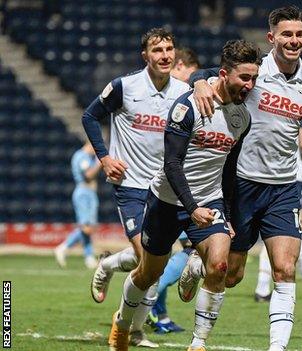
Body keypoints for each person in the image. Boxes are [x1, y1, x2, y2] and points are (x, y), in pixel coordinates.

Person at [180, 6, 302, 351]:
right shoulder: (255, 71)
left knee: (284, 269)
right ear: (271, 38)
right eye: (287, 35)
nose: (294, 41)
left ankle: (277, 348)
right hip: (242, 184)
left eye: (299, 35)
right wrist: (200, 83)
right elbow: (202, 74)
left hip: (284, 187)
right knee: (231, 275)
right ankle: (197, 265)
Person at [106, 39, 261, 351]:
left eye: (254, 78)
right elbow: (171, 164)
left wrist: (226, 215)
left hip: (210, 200)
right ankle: (122, 324)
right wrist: (190, 208)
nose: (250, 84)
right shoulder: (187, 107)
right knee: (148, 274)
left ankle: (198, 343)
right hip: (167, 200)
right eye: (245, 77)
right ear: (224, 74)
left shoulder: (241, 119)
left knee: (219, 266)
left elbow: (228, 172)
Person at [82, 27, 189, 348]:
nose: (165, 55)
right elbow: (90, 116)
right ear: (145, 55)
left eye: (169, 49)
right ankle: (134, 330)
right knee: (150, 262)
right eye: (157, 50)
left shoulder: (184, 92)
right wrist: (104, 158)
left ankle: (110, 264)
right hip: (129, 185)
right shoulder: (124, 87)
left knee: (152, 266)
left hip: (164, 189)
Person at [147, 46, 200, 335]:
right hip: (169, 186)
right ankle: (147, 299)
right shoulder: (178, 97)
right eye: (192, 75)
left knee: (163, 252)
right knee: (187, 250)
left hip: (172, 182)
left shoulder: (172, 96)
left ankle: (159, 314)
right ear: (181, 66)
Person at [253, 130, 302, 302]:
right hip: (291, 179)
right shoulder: (298, 114)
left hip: (284, 177)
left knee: (278, 234)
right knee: (295, 231)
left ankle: (264, 287)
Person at [54, 140, 101, 269]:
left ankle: (89, 257)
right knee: (86, 228)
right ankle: (63, 247)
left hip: (89, 193)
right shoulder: (82, 157)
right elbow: (88, 175)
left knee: (88, 228)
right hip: (84, 193)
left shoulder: (86, 157)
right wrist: (100, 162)